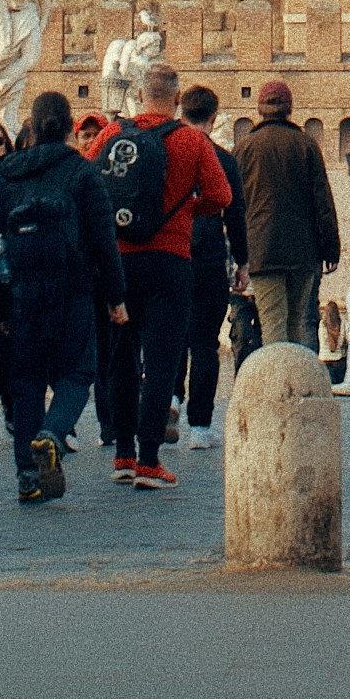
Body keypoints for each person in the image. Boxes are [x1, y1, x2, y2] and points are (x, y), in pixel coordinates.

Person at [0, 88, 117, 502]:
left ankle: (27, 474)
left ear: (33, 128)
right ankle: (53, 435)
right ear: (69, 126)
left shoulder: (11, 172)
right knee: (77, 372)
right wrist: (116, 295)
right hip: (72, 290)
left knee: (26, 382)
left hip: (21, 292)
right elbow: (102, 238)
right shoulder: (81, 170)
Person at [95, 81, 232, 486]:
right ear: (176, 100)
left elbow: (88, 183)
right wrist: (186, 209)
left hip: (118, 259)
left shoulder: (111, 134)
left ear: (139, 96)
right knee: (160, 363)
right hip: (169, 259)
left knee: (121, 358)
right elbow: (221, 195)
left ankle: (122, 454)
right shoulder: (191, 140)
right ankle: (149, 461)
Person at [231, 84, 335, 369]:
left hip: (262, 250)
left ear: (259, 109)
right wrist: (331, 248)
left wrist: (238, 255)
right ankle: (294, 389)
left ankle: (278, 393)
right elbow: (322, 201)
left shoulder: (244, 148)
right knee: (296, 325)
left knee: (273, 327)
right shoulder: (305, 145)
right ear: (289, 109)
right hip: (303, 251)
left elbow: (235, 206)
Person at [174, 84, 240, 428]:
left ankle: (169, 398)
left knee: (169, 336)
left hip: (171, 255)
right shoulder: (225, 160)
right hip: (210, 259)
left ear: (181, 113)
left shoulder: (165, 153)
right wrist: (242, 262)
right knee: (204, 344)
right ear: (214, 119)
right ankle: (200, 426)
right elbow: (235, 214)